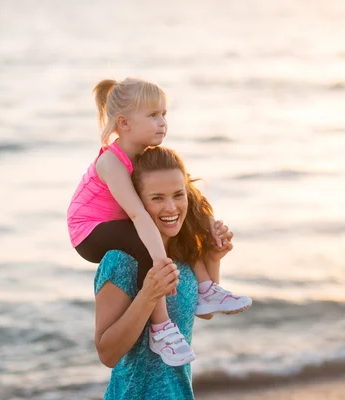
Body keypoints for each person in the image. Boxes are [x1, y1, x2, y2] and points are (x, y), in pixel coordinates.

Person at [67, 78, 252, 366]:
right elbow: (140, 215)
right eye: (153, 115)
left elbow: (202, 314)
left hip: (178, 391)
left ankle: (207, 288)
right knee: (146, 243)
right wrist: (159, 261)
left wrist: (211, 247)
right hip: (89, 231)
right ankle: (161, 327)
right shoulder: (111, 162)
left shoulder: (144, 159)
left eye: (164, 114)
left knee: (188, 194)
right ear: (124, 123)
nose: (163, 122)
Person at [94, 146, 236, 399]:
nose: (171, 208)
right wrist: (148, 295)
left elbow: (205, 313)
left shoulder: (184, 254)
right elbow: (108, 354)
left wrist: (213, 258)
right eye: (157, 198)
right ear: (137, 202)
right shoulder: (120, 261)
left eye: (178, 195)